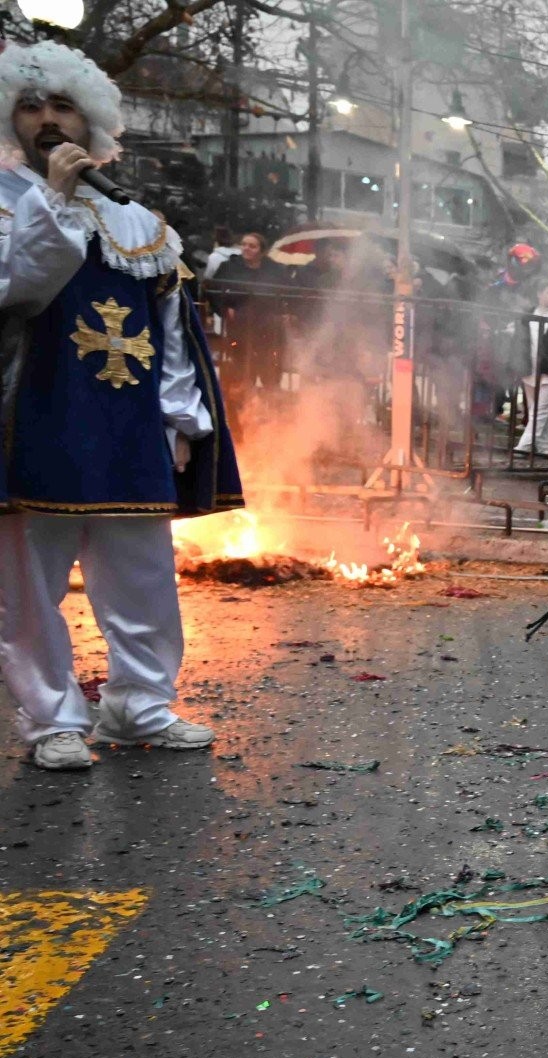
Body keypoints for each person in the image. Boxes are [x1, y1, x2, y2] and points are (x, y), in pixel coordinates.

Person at [0, 44, 240, 771]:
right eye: (32, 106)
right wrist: (53, 200)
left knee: (141, 570)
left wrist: (181, 419)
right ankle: (50, 717)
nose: (48, 120)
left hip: (129, 423)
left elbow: (170, 330)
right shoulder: (9, 205)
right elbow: (20, 289)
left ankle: (138, 703)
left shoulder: (140, 222)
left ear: (90, 117)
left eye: (62, 106)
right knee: (29, 580)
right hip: (33, 418)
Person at [207, 229, 287, 418]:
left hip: (268, 330)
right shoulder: (230, 267)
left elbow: (284, 295)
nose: (246, 249)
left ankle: (272, 411)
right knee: (241, 369)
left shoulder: (274, 269)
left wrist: (283, 313)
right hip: (239, 330)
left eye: (252, 246)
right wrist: (224, 309)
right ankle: (240, 411)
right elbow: (213, 290)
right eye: (244, 244)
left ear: (261, 250)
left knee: (269, 368)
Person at [512, 282, 548, 456]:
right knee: (537, 412)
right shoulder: (528, 316)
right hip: (529, 369)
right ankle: (545, 448)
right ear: (539, 294)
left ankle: (523, 446)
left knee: (539, 412)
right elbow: (520, 340)